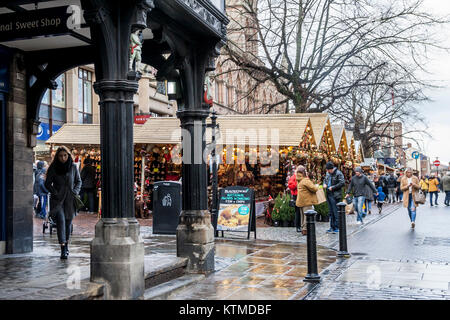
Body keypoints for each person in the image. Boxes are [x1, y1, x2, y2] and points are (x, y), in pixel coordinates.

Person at [45, 146, 82, 260]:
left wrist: (75, 192)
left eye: (65, 155)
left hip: (70, 200)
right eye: (61, 156)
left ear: (68, 155)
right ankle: (62, 248)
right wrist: (54, 192)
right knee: (61, 221)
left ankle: (66, 245)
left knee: (68, 222)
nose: (63, 158)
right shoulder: (53, 167)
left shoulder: (73, 167)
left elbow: (78, 181)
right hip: (57, 200)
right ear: (57, 157)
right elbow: (47, 183)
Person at [296, 166, 319, 236]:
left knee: (302, 217)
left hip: (300, 201)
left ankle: (303, 229)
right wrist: (317, 186)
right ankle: (306, 230)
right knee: (307, 216)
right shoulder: (305, 180)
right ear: (303, 172)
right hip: (306, 201)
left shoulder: (299, 180)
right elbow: (314, 188)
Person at [323, 161, 345, 234]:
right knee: (331, 211)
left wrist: (333, 187)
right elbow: (325, 180)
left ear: (331, 169)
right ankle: (332, 227)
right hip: (329, 194)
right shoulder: (328, 174)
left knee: (335, 211)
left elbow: (342, 183)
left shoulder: (338, 173)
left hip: (335, 195)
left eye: (328, 170)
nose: (327, 171)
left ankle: (336, 227)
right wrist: (324, 184)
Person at [287, 165, 302, 232]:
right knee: (298, 211)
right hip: (296, 195)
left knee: (303, 211)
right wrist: (297, 185)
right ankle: (298, 226)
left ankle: (302, 225)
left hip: (303, 195)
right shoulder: (293, 177)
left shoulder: (304, 176)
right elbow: (290, 185)